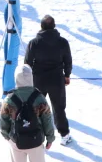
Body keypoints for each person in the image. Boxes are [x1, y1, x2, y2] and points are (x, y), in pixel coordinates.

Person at [0, 64, 55, 162]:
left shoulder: (9, 99)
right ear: (31, 78)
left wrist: (8, 137)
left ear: (16, 78)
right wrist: (50, 138)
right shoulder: (39, 97)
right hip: (36, 142)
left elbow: (3, 123)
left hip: (16, 143)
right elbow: (47, 119)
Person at [25, 15, 74, 146]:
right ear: (54, 26)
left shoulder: (34, 43)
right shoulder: (62, 42)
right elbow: (67, 60)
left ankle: (37, 135)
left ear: (41, 27)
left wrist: (28, 79)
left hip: (38, 80)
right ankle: (64, 135)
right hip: (57, 80)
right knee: (59, 108)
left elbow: (27, 63)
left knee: (37, 108)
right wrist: (67, 75)